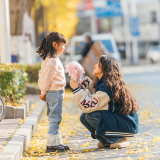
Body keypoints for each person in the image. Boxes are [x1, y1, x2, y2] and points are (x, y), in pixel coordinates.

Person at [70, 55, 139, 149]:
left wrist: (76, 90)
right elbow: (95, 104)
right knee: (84, 117)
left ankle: (117, 139)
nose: (94, 65)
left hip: (127, 126)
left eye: (98, 63)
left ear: (106, 67)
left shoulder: (107, 87)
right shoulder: (105, 84)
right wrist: (80, 89)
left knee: (89, 115)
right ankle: (106, 141)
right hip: (124, 124)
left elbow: (88, 106)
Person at [37, 32, 70, 152]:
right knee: (55, 119)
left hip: (54, 92)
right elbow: (45, 77)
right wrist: (44, 92)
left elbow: (43, 76)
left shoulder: (51, 59)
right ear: (55, 44)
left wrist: (45, 92)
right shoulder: (52, 60)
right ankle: (51, 144)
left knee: (55, 118)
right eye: (63, 45)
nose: (64, 47)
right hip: (55, 92)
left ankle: (57, 142)